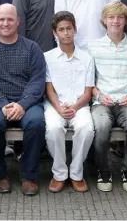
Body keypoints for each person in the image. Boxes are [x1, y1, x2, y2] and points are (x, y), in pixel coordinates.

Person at [0, 4, 46, 196]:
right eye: (1, 19)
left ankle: (29, 176)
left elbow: (38, 80)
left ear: (18, 22)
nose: (5, 23)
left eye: (10, 19)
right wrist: (3, 103)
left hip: (27, 102)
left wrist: (22, 104)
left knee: (36, 123)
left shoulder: (32, 48)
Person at [87, 2, 127, 193]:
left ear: (126, 21)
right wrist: (98, 95)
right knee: (101, 128)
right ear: (104, 20)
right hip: (101, 101)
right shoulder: (93, 47)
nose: (115, 21)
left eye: (120, 17)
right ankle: (104, 171)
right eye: (111, 17)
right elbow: (88, 80)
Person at [43, 11, 94, 193]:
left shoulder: (87, 58)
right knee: (53, 129)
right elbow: (49, 88)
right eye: (61, 29)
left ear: (75, 29)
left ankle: (76, 173)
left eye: (69, 29)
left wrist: (74, 107)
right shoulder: (47, 57)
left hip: (79, 106)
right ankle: (59, 174)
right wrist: (59, 108)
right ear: (54, 33)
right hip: (55, 105)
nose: (65, 33)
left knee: (86, 128)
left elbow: (88, 92)